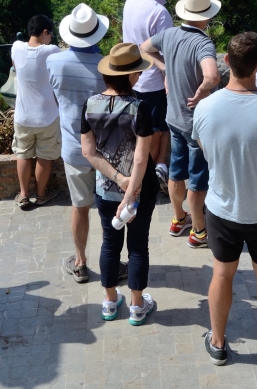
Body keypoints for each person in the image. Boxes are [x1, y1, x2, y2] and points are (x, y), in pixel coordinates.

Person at [193, 32, 257, 367]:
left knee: (222, 274)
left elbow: (207, 153)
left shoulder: (205, 108)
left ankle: (219, 343)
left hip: (222, 209)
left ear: (226, 62)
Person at [80, 43, 160, 324]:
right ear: (130, 76)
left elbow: (88, 152)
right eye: (137, 72)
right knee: (138, 246)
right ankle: (137, 307)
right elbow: (140, 159)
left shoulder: (89, 104)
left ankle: (110, 302)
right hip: (140, 190)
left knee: (109, 244)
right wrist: (131, 190)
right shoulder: (140, 107)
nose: (139, 77)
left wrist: (117, 180)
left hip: (105, 189)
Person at [141, 0, 221, 249]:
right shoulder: (202, 43)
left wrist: (164, 69)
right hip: (197, 124)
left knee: (176, 172)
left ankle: (178, 219)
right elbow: (212, 76)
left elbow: (143, 48)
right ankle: (199, 231)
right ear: (206, 15)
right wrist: (201, 91)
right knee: (198, 179)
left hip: (173, 117)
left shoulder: (170, 34)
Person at [47, 4, 110, 283]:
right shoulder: (106, 67)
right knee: (110, 208)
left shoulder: (54, 62)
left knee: (79, 206)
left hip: (73, 148)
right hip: (106, 149)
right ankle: (112, 261)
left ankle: (81, 262)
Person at [122, 0, 174, 186]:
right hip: (152, 80)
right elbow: (166, 49)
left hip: (132, 75)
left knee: (142, 128)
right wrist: (166, 73)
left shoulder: (130, 2)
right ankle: (150, 174)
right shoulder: (160, 13)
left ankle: (154, 167)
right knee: (153, 130)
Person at [11, 15, 62, 211]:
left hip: (23, 115)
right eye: (51, 34)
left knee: (23, 154)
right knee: (45, 156)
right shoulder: (52, 51)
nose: (52, 38)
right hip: (47, 115)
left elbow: (16, 68)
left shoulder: (16, 47)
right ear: (45, 32)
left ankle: (23, 195)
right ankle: (41, 196)